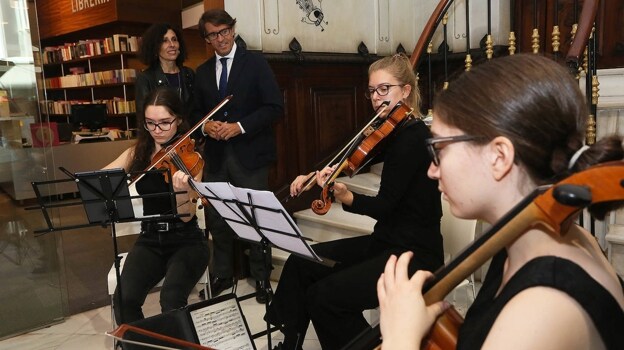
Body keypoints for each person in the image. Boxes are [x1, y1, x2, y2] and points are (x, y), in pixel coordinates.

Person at [377, 54, 624, 350]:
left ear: (499, 157)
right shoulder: (522, 243)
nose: (432, 169)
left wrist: (399, 338)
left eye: (439, 148)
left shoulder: (542, 307)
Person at [265, 54, 443, 350]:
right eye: (372, 91)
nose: (376, 98)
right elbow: (354, 161)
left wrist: (348, 198)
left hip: (413, 253)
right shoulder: (394, 132)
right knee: (301, 263)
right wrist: (315, 175)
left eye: (384, 89)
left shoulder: (413, 139)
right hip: (386, 242)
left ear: (406, 91)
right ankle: (290, 343)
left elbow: (384, 206)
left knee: (324, 298)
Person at [191, 9, 284, 304]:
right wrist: (206, 126)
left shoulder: (255, 63)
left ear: (233, 29)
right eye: (213, 35)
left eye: (225, 31)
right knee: (218, 218)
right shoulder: (202, 72)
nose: (220, 39)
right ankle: (223, 273)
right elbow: (194, 116)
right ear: (206, 38)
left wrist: (239, 127)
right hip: (217, 159)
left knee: (257, 218)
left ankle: (261, 277)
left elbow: (274, 107)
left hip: (250, 155)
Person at [105, 87, 210, 324]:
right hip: (150, 239)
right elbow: (102, 179)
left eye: (165, 123)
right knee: (124, 300)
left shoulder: (191, 159)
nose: (157, 130)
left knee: (171, 299)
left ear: (179, 120)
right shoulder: (137, 153)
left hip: (187, 241)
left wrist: (181, 191)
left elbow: (186, 216)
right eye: (150, 123)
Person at [135, 23, 195, 119]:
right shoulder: (145, 78)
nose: (172, 45)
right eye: (165, 41)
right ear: (155, 47)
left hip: (190, 132)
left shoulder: (189, 74)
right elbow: (143, 117)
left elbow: (196, 110)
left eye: (174, 40)